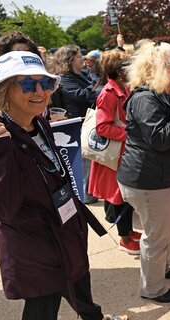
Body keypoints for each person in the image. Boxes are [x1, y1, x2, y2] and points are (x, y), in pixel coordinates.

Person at [0, 51, 128, 320]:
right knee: (42, 310)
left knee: (79, 277)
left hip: (66, 224)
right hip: (34, 240)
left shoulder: (39, 122)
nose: (41, 91)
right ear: (4, 91)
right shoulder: (0, 137)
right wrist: (2, 150)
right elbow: (5, 208)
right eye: (28, 84)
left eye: (45, 84)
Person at [117, 42, 170, 303]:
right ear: (163, 68)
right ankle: (152, 288)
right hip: (150, 181)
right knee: (157, 236)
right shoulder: (144, 99)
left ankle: (161, 269)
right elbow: (161, 138)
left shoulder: (168, 95)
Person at [88, 49, 141, 255]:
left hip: (122, 153)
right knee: (117, 196)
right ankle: (124, 238)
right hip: (114, 156)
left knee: (124, 195)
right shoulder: (108, 93)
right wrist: (130, 134)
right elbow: (102, 127)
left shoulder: (122, 88)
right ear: (119, 71)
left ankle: (128, 230)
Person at [55, 44, 100, 204]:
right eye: (79, 56)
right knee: (84, 162)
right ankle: (86, 194)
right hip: (75, 124)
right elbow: (80, 95)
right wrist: (98, 87)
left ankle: (89, 191)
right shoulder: (63, 77)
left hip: (86, 121)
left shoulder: (81, 74)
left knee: (89, 159)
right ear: (70, 59)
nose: (83, 59)